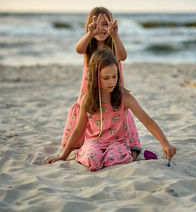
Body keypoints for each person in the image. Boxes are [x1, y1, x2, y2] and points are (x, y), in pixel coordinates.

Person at [45, 48, 176, 171]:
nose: (111, 82)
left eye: (114, 76)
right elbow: (78, 130)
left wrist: (165, 143)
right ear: (96, 78)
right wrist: (63, 156)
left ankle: (134, 153)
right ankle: (102, 154)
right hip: (95, 141)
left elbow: (147, 121)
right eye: (106, 78)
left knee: (113, 159)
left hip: (118, 142)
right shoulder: (88, 100)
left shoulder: (125, 98)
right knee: (93, 160)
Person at [61, 7, 140, 159]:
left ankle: (121, 148)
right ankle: (91, 145)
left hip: (111, 95)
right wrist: (89, 34)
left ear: (111, 25)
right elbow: (78, 49)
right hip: (90, 96)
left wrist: (115, 35)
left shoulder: (112, 47)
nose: (100, 29)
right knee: (87, 127)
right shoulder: (89, 49)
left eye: (104, 24)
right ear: (89, 27)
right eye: (95, 25)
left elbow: (123, 56)